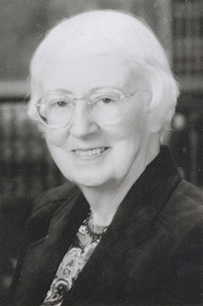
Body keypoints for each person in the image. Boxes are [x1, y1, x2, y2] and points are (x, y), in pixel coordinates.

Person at [7, 10, 203, 306]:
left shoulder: (193, 238)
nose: (82, 128)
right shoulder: (48, 215)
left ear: (155, 109)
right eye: (61, 102)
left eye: (106, 99)